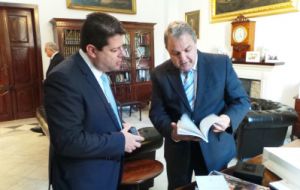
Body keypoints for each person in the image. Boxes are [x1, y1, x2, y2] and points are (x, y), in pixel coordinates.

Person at [44, 12, 144, 190]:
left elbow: (96, 112)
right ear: (92, 50)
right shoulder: (62, 78)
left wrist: (119, 125)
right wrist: (120, 141)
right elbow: (68, 141)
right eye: (115, 50)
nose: (123, 54)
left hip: (105, 171)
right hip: (83, 179)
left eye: (122, 47)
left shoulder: (100, 69)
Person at [149, 21, 250, 190]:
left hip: (214, 147)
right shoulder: (159, 74)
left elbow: (241, 100)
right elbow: (157, 112)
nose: (183, 59)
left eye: (187, 50)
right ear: (167, 50)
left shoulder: (220, 64)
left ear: (195, 43)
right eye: (175, 53)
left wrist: (227, 119)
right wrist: (171, 131)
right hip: (179, 150)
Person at [30, 42, 64, 134]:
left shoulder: (59, 58)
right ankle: (45, 126)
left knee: (50, 108)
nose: (45, 53)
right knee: (47, 108)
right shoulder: (54, 58)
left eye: (46, 50)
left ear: (50, 49)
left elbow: (58, 74)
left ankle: (46, 127)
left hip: (56, 90)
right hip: (52, 88)